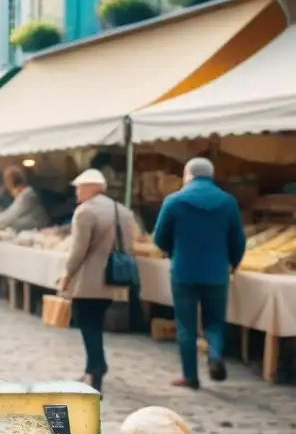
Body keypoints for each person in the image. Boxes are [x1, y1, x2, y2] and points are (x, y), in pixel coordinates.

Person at [152, 157, 245, 389]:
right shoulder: (228, 202)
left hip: (183, 271)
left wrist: (173, 253)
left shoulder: (174, 201)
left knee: (186, 325)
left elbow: (159, 236)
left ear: (188, 175)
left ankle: (190, 376)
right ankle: (214, 354)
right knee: (214, 321)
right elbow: (238, 240)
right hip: (216, 272)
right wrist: (232, 262)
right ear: (211, 175)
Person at [56, 169, 134, 393]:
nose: (77, 192)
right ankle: (95, 366)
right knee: (95, 322)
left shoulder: (85, 212)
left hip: (89, 280)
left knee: (87, 323)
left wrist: (67, 275)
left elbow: (78, 250)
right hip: (114, 277)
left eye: (79, 188)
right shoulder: (122, 211)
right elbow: (128, 246)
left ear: (90, 188)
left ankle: (95, 369)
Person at [0, 166, 50, 232]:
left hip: (38, 227)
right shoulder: (26, 194)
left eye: (6, 180)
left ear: (9, 181)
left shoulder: (27, 195)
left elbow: (9, 216)